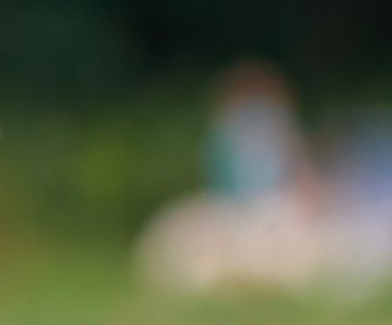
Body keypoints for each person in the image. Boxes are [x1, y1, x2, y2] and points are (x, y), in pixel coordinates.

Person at [137, 64, 392, 296]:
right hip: (274, 216)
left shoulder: (226, 135)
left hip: (248, 215)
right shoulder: (266, 130)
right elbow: (301, 189)